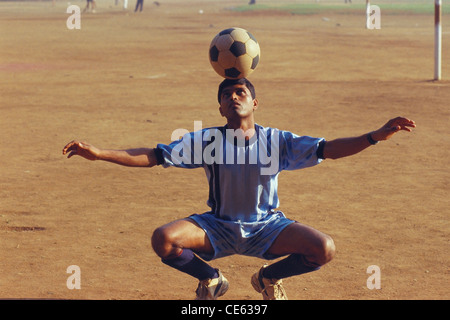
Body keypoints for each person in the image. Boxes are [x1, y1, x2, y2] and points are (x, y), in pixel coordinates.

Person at [62, 78, 415, 300]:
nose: (234, 96)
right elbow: (153, 155)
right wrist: (99, 153)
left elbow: (330, 149)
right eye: (227, 94)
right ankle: (211, 279)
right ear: (219, 106)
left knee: (323, 249)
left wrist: (373, 137)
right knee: (163, 239)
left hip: (268, 228)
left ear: (254, 103)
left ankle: (268, 278)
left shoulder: (278, 141)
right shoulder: (207, 140)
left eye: (241, 92)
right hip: (216, 227)